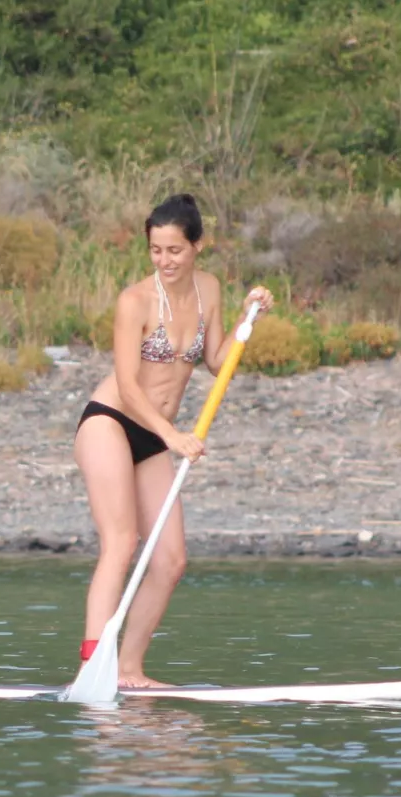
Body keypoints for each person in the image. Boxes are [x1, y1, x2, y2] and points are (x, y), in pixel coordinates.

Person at [73, 193, 273, 687]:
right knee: (120, 544)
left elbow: (216, 360)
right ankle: (93, 667)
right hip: (112, 422)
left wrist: (251, 320)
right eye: (156, 250)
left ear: (197, 246)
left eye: (174, 251)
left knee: (170, 560)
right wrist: (172, 436)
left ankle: (129, 671)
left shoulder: (208, 290)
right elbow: (126, 386)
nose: (164, 261)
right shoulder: (134, 301)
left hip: (160, 435)